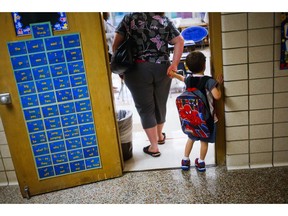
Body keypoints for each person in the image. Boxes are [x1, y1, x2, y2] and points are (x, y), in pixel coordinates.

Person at [112, 13, 184, 157]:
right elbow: (179, 41)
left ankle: (154, 146)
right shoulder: (164, 19)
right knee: (160, 104)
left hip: (136, 69)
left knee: (146, 108)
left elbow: (116, 45)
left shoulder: (129, 18)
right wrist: (174, 64)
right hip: (162, 68)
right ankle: (159, 136)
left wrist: (121, 67)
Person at [169, 51, 223, 172]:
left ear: (188, 67)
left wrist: (174, 74)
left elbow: (183, 78)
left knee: (191, 139)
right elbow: (217, 96)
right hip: (206, 119)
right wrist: (218, 85)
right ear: (204, 65)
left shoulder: (189, 79)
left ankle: (185, 159)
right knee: (204, 142)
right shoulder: (209, 81)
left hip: (191, 119)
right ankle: (201, 162)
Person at [103, 12, 118, 92]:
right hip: (107, 50)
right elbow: (102, 35)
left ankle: (110, 86)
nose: (109, 13)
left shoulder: (106, 22)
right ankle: (109, 87)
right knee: (109, 70)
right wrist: (114, 34)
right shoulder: (102, 22)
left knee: (110, 70)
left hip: (110, 50)